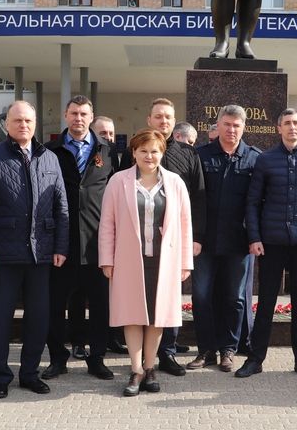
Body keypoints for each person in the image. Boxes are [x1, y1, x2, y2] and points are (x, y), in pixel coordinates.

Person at [0, 100, 68, 398]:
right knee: (0, 318)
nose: (23, 125)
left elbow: (61, 206)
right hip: (3, 255)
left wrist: (60, 246)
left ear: (35, 123)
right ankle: (0, 375)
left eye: (28, 121)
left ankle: (29, 373)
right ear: (7, 124)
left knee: (38, 318)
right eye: (17, 121)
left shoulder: (49, 158)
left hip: (41, 255)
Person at [236, 110, 297, 378]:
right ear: (278, 128)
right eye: (287, 123)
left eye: (296, 123)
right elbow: (252, 202)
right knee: (266, 302)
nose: (292, 127)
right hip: (272, 242)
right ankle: (255, 359)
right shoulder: (266, 160)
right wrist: (254, 237)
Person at [99, 129, 193, 396]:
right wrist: (106, 259)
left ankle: (151, 368)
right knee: (132, 315)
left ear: (162, 153)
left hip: (165, 260)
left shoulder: (175, 183)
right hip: (129, 259)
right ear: (134, 153)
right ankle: (136, 369)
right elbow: (107, 223)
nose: (149, 156)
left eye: (154, 151)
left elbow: (185, 225)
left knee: (157, 316)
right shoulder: (119, 182)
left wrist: (186, 262)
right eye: (143, 151)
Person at [121, 98, 206, 375]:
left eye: (168, 117)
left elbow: (197, 200)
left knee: (165, 305)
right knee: (140, 304)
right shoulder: (131, 154)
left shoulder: (189, 154)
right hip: (138, 247)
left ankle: (166, 355)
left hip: (170, 246)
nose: (164, 122)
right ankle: (141, 365)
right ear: (150, 119)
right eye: (158, 117)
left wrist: (194, 239)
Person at [43, 96, 116, 381]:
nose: (78, 118)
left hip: (97, 243)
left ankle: (96, 359)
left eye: (84, 114)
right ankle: (57, 358)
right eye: (73, 113)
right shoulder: (50, 151)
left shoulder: (107, 152)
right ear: (65, 115)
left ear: (91, 116)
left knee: (100, 306)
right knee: (55, 306)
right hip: (61, 244)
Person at [190, 105, 260, 373]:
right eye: (227, 124)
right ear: (217, 125)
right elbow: (193, 200)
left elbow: (258, 203)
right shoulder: (200, 156)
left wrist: (254, 237)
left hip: (238, 242)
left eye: (236, 125)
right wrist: (194, 236)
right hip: (204, 242)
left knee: (235, 298)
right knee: (201, 295)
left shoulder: (254, 158)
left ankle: (228, 350)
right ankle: (205, 349)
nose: (231, 130)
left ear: (244, 128)